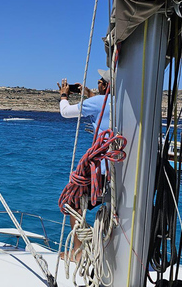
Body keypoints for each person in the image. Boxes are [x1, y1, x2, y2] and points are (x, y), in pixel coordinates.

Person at [57, 70, 111, 261]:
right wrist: (88, 93)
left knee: (74, 203)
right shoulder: (121, 102)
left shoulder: (98, 102)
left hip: (102, 169)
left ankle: (77, 253)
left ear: (106, 86)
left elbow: (65, 112)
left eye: (100, 82)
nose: (97, 84)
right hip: (119, 169)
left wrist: (64, 95)